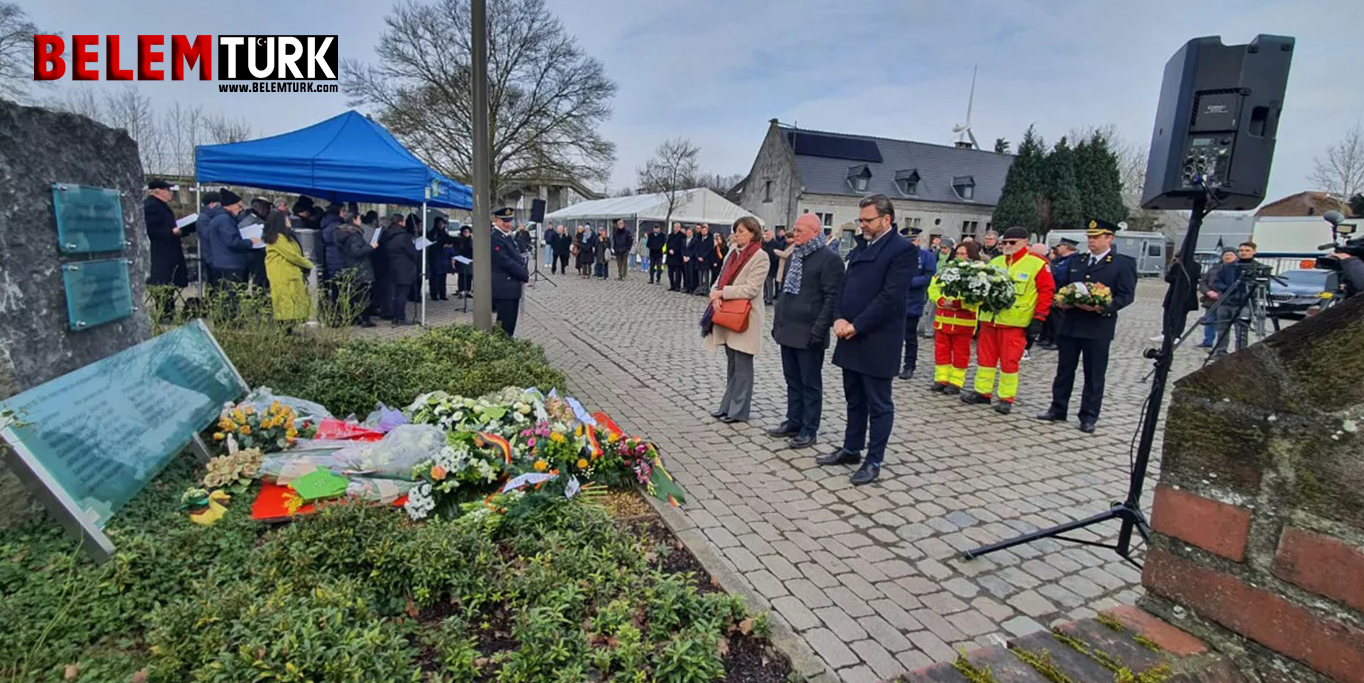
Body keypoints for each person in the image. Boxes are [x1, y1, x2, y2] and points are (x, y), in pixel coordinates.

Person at [817, 194, 915, 486]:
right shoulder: (861, 246)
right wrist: (838, 318)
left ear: (886, 219)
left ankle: (874, 460)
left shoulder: (902, 251)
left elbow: (890, 297)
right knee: (854, 398)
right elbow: (843, 287)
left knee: (878, 403)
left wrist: (857, 325)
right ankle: (851, 448)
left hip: (878, 339)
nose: (862, 225)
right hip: (849, 334)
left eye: (868, 220)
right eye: (860, 220)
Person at [1037, 218, 1137, 433]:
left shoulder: (1122, 263)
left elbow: (1126, 295)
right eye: (1089, 237)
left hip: (1098, 327)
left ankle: (1088, 415)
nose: (1091, 241)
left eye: (1096, 237)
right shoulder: (1077, 260)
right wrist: (1061, 300)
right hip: (1071, 324)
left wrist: (1103, 307)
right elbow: (1062, 286)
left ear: (1109, 238)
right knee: (1064, 370)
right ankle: (1058, 408)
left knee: (1094, 374)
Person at [960, 226, 1055, 414]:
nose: (1007, 245)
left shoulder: (1037, 264)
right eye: (1004, 242)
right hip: (990, 320)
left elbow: (1046, 293)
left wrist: (1039, 318)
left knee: (1009, 362)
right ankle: (982, 392)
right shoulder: (996, 262)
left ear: (1025, 242)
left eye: (1012, 242)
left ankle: (1006, 398)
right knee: (985, 359)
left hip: (1014, 323)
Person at [769, 214, 844, 449]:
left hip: (810, 332)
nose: (796, 233)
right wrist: (778, 321)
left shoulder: (829, 259)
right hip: (788, 329)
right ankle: (794, 420)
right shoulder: (795, 255)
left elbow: (832, 298)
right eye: (795, 229)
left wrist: (819, 330)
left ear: (815, 232)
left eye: (800, 230)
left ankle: (809, 429)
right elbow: (785, 293)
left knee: (810, 383)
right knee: (792, 379)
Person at [703, 217, 771, 424]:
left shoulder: (760, 256)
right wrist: (714, 293)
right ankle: (727, 406)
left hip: (745, 317)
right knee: (732, 364)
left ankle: (738, 410)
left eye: (742, 231)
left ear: (753, 233)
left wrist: (722, 293)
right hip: (727, 314)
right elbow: (720, 277)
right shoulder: (732, 253)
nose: (737, 235)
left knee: (743, 366)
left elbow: (751, 289)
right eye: (736, 231)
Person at [928, 242, 983, 394]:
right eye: (958, 253)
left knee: (960, 354)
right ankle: (941, 379)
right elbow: (933, 288)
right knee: (941, 352)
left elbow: (978, 298)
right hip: (942, 321)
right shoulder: (946, 270)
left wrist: (958, 303)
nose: (959, 257)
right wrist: (940, 300)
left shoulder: (977, 273)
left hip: (963, 323)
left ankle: (956, 382)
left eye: (963, 254)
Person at [144, 179, 188, 318]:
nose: (171, 193)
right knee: (162, 283)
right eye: (168, 190)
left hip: (168, 251)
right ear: (158, 191)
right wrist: (170, 232)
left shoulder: (162, 206)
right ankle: (165, 312)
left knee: (169, 282)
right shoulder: (151, 206)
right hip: (160, 252)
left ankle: (169, 310)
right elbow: (150, 230)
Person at [262, 210, 314, 328]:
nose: (289, 220)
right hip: (282, 273)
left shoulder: (286, 236)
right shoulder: (278, 238)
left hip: (289, 272)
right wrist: (308, 264)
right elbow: (292, 255)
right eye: (286, 219)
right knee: (285, 302)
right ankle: (284, 328)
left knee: (292, 301)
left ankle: (289, 326)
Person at [1210, 241, 1262, 358]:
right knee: (1222, 330)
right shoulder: (1228, 266)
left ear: (1254, 252)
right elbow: (1217, 281)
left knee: (1241, 332)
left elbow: (1263, 286)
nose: (1243, 253)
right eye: (1241, 250)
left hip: (1244, 304)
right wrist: (1228, 289)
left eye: (1247, 250)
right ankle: (1220, 352)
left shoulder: (1258, 268)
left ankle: (1240, 354)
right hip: (1226, 302)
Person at [207, 189, 262, 292]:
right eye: (239, 206)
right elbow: (232, 242)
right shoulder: (225, 220)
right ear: (229, 205)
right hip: (231, 265)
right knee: (233, 296)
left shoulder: (220, 218)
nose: (241, 209)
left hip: (224, 263)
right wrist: (250, 242)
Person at [900, 227, 936, 380]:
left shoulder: (926, 256)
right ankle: (892, 363)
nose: (910, 244)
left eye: (912, 241)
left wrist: (909, 282)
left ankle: (909, 365)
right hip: (895, 302)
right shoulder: (898, 255)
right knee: (892, 336)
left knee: (910, 337)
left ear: (918, 240)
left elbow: (929, 277)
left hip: (913, 301)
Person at [490, 207, 530, 335]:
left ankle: (507, 342)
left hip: (512, 287)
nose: (507, 224)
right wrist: (523, 274)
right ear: (496, 220)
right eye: (504, 221)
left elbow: (517, 258)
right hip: (503, 287)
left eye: (509, 221)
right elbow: (505, 261)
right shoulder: (495, 238)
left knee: (510, 323)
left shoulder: (508, 237)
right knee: (504, 325)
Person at [335, 210, 376, 327]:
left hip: (351, 266)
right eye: (359, 218)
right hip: (361, 267)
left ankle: (354, 317)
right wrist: (371, 247)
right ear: (354, 220)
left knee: (354, 295)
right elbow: (357, 251)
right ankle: (365, 319)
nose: (360, 221)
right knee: (364, 295)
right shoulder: (354, 235)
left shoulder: (344, 233)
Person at [1037, 238, 1079, 350]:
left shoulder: (1073, 260)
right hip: (1054, 289)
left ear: (1066, 247)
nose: (1058, 249)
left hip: (1062, 291)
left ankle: (1057, 340)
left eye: (1060, 246)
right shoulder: (1060, 259)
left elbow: (1063, 276)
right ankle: (1049, 338)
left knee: (1059, 318)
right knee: (1051, 317)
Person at [380, 213, 419, 326]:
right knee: (402, 293)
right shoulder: (404, 236)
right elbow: (412, 252)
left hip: (391, 266)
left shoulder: (386, 234)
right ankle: (400, 317)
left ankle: (393, 315)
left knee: (394, 293)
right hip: (404, 267)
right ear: (401, 222)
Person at [1195, 248, 1237, 348]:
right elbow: (1203, 282)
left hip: (1228, 301)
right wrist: (1208, 292)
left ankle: (1221, 346)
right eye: (1226, 255)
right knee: (1209, 321)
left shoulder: (1237, 269)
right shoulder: (1214, 269)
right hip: (1211, 300)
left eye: (1230, 255)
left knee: (1223, 325)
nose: (1228, 257)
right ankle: (1208, 341)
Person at [320, 203, 348, 305]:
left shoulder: (325, 223)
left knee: (334, 287)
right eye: (343, 211)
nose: (345, 213)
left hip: (329, 257)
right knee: (340, 288)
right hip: (338, 258)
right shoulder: (337, 226)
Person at [196, 191, 221, 287]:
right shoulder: (204, 218)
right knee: (213, 283)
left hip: (214, 255)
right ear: (212, 204)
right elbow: (208, 236)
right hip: (211, 256)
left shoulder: (210, 216)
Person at [426, 216, 453, 301]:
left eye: (442, 224)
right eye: (440, 223)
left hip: (444, 258)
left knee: (443, 277)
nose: (441, 225)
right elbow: (431, 245)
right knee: (435, 277)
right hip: (435, 258)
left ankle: (442, 293)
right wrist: (441, 246)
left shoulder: (444, 233)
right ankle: (434, 293)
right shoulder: (433, 233)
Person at [666, 223, 688, 291]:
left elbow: (682, 246)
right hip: (670, 256)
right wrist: (669, 250)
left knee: (678, 273)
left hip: (678, 257)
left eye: (677, 227)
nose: (676, 228)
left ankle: (677, 286)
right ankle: (672, 285)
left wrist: (674, 251)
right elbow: (668, 244)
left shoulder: (682, 236)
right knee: (670, 273)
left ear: (680, 227)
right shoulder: (670, 235)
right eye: (675, 227)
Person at [455, 225, 474, 297]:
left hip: (470, 260)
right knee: (462, 275)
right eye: (465, 232)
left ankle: (468, 290)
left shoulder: (471, 241)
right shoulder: (459, 240)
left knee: (469, 275)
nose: (467, 233)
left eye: (468, 232)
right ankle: (461, 290)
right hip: (461, 260)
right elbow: (457, 250)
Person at [686, 226, 706, 294]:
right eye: (687, 232)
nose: (688, 234)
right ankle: (687, 287)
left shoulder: (695, 240)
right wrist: (684, 256)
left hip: (692, 259)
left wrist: (689, 257)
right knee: (686, 274)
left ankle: (692, 288)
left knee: (692, 274)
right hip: (685, 258)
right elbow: (683, 249)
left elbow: (694, 250)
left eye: (689, 232)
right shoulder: (684, 240)